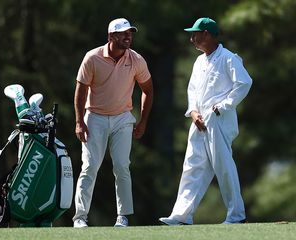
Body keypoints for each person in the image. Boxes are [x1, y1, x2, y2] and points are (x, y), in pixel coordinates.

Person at [159, 17, 252, 225]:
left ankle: (236, 215)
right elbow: (192, 90)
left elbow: (244, 83)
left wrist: (223, 106)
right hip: (199, 120)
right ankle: (182, 215)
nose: (192, 38)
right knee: (192, 166)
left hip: (219, 120)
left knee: (223, 166)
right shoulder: (199, 60)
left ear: (207, 35)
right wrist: (193, 112)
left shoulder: (228, 58)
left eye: (195, 34)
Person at [73, 18, 153, 228]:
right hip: (95, 117)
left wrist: (143, 121)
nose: (128, 36)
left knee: (122, 166)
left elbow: (148, 90)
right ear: (111, 37)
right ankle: (80, 217)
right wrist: (79, 121)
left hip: (122, 118)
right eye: (122, 33)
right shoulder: (92, 58)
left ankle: (123, 217)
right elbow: (80, 91)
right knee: (89, 167)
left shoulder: (136, 59)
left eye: (130, 33)